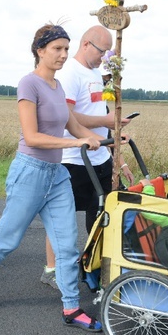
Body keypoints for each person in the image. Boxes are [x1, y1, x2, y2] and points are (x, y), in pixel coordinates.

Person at [0, 23, 107, 332]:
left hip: (57, 176)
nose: (64, 55)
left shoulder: (58, 87)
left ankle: (71, 307)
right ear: (40, 50)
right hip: (30, 173)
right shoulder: (29, 84)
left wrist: (104, 137)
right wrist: (76, 143)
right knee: (6, 241)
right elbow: (33, 136)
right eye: (57, 49)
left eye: (67, 49)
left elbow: (74, 127)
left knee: (67, 245)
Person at [41, 25, 134, 288]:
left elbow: (101, 115)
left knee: (105, 212)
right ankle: (51, 269)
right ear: (86, 44)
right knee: (62, 215)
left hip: (99, 156)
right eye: (101, 51)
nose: (103, 58)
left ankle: (96, 265)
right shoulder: (71, 73)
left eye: (108, 54)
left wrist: (117, 151)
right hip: (73, 158)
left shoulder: (95, 73)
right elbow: (67, 116)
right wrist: (105, 121)